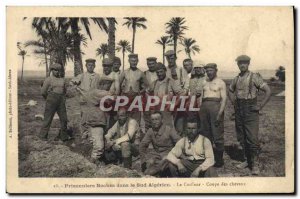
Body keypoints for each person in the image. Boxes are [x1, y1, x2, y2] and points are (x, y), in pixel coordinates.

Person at [228, 55, 271, 175]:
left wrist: (260, 106)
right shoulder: (236, 79)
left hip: (251, 110)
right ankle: (247, 160)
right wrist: (234, 104)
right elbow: (230, 91)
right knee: (241, 138)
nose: (242, 65)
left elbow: (268, 91)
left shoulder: (254, 77)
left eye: (245, 63)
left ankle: (255, 164)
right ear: (237, 65)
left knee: (252, 138)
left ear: (248, 64)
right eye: (240, 63)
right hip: (239, 110)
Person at [70, 59, 107, 163]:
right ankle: (85, 136)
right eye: (89, 65)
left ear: (94, 66)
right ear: (86, 66)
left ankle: (92, 138)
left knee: (92, 118)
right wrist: (76, 86)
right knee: (84, 119)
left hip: (94, 102)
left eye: (92, 65)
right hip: (84, 101)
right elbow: (72, 82)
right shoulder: (82, 75)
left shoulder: (98, 76)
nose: (90, 66)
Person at [199, 63, 227, 167]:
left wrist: (220, 113)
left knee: (217, 133)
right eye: (207, 71)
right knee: (205, 134)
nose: (209, 72)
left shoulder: (221, 83)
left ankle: (219, 160)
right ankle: (209, 158)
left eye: (211, 70)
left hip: (215, 108)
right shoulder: (204, 83)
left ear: (216, 70)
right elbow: (201, 98)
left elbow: (224, 99)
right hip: (204, 108)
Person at [139, 111, 181, 176]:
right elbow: (142, 145)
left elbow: (180, 142)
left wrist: (174, 154)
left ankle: (156, 172)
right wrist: (144, 160)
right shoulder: (151, 131)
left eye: (157, 119)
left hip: (169, 155)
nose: (154, 121)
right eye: (152, 120)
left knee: (155, 170)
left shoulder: (169, 129)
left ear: (162, 120)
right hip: (157, 155)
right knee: (149, 167)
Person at [39, 63, 72, 142]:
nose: (57, 72)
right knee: (48, 119)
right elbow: (43, 92)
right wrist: (48, 99)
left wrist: (63, 98)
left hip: (61, 101)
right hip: (51, 100)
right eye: (55, 70)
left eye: (58, 70)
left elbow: (64, 91)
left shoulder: (62, 79)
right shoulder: (48, 79)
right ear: (52, 70)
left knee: (64, 119)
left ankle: (64, 137)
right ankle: (43, 137)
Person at [148, 62, 185, 128]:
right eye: (157, 72)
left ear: (165, 71)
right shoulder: (154, 83)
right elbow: (147, 92)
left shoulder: (171, 81)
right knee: (156, 127)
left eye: (161, 72)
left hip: (167, 109)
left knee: (167, 128)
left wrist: (174, 104)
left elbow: (182, 94)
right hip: (156, 109)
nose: (159, 74)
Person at [120, 54, 148, 124]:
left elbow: (147, 85)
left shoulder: (140, 73)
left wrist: (141, 92)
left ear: (137, 61)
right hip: (126, 97)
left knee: (136, 117)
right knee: (125, 115)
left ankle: (136, 133)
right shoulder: (125, 72)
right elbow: (118, 83)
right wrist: (122, 92)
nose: (134, 62)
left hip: (136, 97)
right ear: (129, 61)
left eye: (135, 61)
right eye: (132, 61)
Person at [143, 57, 158, 133]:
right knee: (147, 119)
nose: (151, 66)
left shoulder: (159, 73)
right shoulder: (145, 73)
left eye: (152, 64)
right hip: (147, 99)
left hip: (158, 99)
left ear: (156, 63)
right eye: (149, 64)